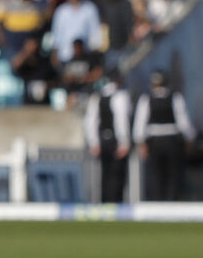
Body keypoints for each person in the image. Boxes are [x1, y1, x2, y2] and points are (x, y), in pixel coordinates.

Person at [134, 70, 195, 202]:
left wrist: (141, 143)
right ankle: (171, 201)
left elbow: (140, 123)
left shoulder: (147, 98)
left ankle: (158, 202)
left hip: (154, 141)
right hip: (171, 140)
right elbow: (183, 121)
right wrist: (189, 139)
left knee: (156, 174)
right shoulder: (175, 97)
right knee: (173, 174)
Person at [83, 74, 134, 201]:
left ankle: (105, 205)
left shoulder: (97, 97)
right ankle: (115, 206)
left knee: (105, 175)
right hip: (115, 141)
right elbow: (121, 120)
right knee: (117, 177)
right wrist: (124, 142)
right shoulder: (120, 96)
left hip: (102, 141)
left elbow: (90, 121)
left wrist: (94, 142)